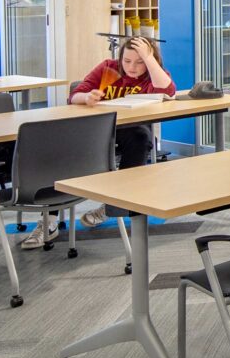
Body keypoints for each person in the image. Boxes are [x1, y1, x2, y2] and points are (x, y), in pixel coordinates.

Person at [50, 36, 175, 248]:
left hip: (130, 131)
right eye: (127, 61)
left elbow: (168, 91)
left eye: (139, 62)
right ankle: (49, 219)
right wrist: (87, 96)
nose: (132, 67)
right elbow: (74, 96)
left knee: (142, 138)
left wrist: (149, 57)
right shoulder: (108, 68)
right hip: (97, 129)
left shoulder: (154, 77)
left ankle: (114, 204)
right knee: (59, 143)